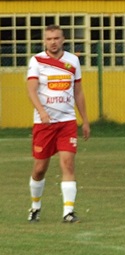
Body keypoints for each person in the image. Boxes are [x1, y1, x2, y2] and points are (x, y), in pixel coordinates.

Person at [26, 24, 90, 224]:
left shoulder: (73, 61)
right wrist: (42, 112)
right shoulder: (36, 61)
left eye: (56, 38)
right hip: (44, 124)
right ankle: (35, 206)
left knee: (68, 164)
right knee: (39, 169)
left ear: (63, 39)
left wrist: (85, 120)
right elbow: (31, 90)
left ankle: (68, 212)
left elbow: (78, 92)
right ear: (45, 41)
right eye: (49, 39)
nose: (53, 42)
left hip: (66, 122)